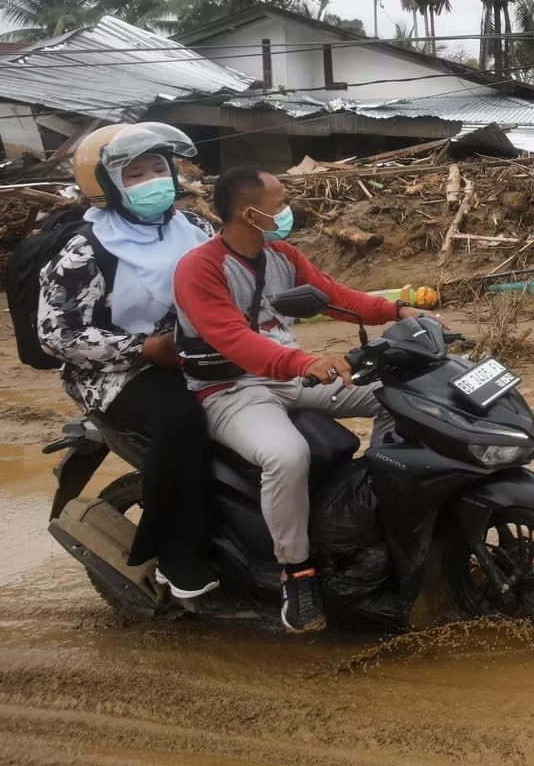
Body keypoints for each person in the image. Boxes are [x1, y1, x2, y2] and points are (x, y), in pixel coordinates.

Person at [173, 166, 428, 633]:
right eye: (279, 202)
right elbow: (231, 338)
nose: (288, 209)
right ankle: (297, 572)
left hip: (291, 373)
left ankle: (380, 507)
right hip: (230, 389)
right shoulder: (200, 267)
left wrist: (400, 311)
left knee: (401, 396)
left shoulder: (282, 255)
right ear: (249, 212)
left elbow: (336, 298)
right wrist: (301, 362)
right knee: (287, 455)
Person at [38, 122, 218, 599]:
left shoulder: (195, 228)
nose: (152, 180)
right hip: (116, 372)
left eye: (158, 167)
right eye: (134, 173)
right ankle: (176, 553)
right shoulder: (87, 248)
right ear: (108, 186)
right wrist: (142, 348)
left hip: (199, 355)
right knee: (182, 420)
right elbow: (56, 334)